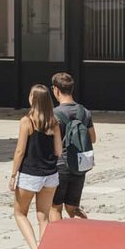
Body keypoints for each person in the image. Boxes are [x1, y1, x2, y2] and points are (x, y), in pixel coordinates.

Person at [8, 84, 64, 249]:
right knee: (43, 216)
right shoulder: (54, 123)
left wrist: (13, 174)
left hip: (30, 175)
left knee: (20, 213)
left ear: (33, 99)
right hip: (50, 175)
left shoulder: (27, 121)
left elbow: (20, 151)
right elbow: (58, 151)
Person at [51, 71, 97, 220]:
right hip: (80, 164)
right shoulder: (84, 112)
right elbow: (93, 138)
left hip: (60, 165)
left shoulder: (54, 114)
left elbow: (51, 143)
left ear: (56, 90)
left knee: (55, 207)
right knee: (73, 207)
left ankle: (58, 241)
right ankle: (84, 235)